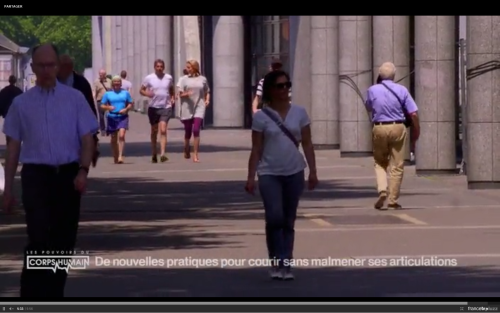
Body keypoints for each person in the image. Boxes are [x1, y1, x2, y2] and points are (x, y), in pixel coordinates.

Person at [2, 43, 98, 297]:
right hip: (36, 177)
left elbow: (87, 138)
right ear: (32, 67)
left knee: (63, 241)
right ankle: (31, 295)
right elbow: (12, 149)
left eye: (51, 65)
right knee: (39, 237)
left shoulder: (74, 99)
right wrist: (7, 189)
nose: (46, 70)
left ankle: (53, 295)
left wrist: (83, 171)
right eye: (41, 65)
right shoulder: (21, 104)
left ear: (58, 66)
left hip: (67, 176)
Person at [245, 70, 318, 281]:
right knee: (274, 217)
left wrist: (313, 171)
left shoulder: (300, 113)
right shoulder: (261, 117)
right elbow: (256, 149)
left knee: (288, 220)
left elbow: (307, 144)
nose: (285, 89)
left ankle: (286, 263)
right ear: (270, 90)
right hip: (269, 172)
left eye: (287, 85)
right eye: (279, 86)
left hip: (294, 171)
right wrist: (251, 177)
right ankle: (275, 259)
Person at [365, 62, 420, 210]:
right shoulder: (402, 90)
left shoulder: (372, 90)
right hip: (398, 127)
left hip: (379, 127)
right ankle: (392, 199)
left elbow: (369, 107)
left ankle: (382, 189)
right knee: (397, 165)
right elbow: (413, 113)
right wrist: (417, 129)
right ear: (394, 75)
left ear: (379, 75)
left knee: (379, 162)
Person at [58, 54, 100, 167]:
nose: (59, 69)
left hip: (78, 126)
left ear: (70, 68)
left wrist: (94, 133)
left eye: (63, 66)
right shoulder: (52, 82)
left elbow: (90, 105)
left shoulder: (81, 82)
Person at [140, 59, 174, 163]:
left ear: (164, 67)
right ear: (154, 67)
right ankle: (154, 153)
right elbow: (141, 90)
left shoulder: (168, 77)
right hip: (153, 108)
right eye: (158, 66)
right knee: (154, 131)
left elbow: (171, 89)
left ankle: (163, 154)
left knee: (163, 130)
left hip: (165, 106)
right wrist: (147, 94)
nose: (159, 68)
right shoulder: (149, 78)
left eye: (161, 66)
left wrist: (172, 98)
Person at [178, 60, 210, 162]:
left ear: (194, 68)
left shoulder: (202, 79)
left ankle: (195, 154)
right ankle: (186, 147)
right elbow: (179, 94)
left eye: (189, 67)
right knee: (188, 131)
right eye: (187, 67)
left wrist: (207, 100)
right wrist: (186, 94)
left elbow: (207, 91)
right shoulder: (183, 80)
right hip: (187, 107)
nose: (187, 69)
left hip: (199, 106)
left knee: (196, 130)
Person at [100, 76, 133, 164]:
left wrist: (126, 109)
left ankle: (120, 156)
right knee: (113, 138)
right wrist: (108, 107)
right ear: (112, 83)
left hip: (122, 116)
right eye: (115, 82)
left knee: (121, 136)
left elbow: (130, 103)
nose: (116, 83)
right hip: (112, 117)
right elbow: (102, 105)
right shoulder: (108, 94)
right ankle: (115, 154)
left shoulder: (125, 93)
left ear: (120, 83)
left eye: (118, 81)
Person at [0, 75, 22, 144]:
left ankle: (9, 146)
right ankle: (15, 146)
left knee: (8, 131)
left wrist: (2, 112)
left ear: (9, 81)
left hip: (7, 114)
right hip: (16, 115)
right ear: (15, 81)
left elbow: (1, 102)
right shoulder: (18, 91)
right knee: (16, 132)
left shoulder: (4, 91)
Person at [94, 69, 112, 135]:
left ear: (105, 74)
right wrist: (93, 98)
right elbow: (94, 91)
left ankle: (109, 129)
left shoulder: (109, 81)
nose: (100, 75)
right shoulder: (96, 82)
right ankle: (103, 129)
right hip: (100, 101)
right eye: (100, 74)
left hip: (108, 101)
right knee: (101, 116)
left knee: (109, 115)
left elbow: (112, 90)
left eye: (102, 74)